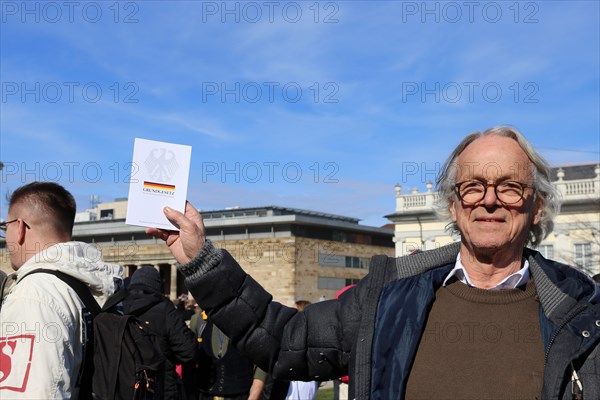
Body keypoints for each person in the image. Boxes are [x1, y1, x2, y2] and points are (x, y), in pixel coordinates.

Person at [147, 127, 600, 400]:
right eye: (473, 186)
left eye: (509, 187)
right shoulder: (391, 296)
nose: (489, 201)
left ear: (536, 206)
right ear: (454, 204)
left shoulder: (580, 314)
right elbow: (282, 338)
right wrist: (201, 260)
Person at [0, 182, 124, 399]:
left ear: (19, 227)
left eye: (5, 227)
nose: (6, 238)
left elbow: (32, 393)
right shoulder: (87, 286)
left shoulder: (33, 294)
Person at [123, 266, 198, 400]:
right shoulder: (165, 310)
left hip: (127, 388)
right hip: (161, 387)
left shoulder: (120, 307)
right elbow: (188, 351)